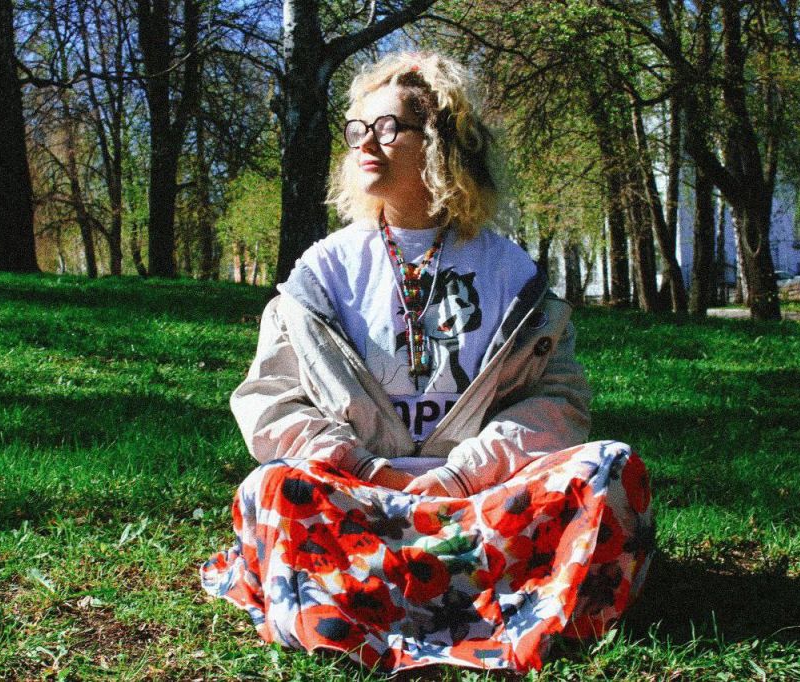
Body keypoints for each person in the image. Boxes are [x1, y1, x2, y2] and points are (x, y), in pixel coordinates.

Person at [201, 51, 654, 674]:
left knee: (610, 468)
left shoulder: (511, 273)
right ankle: (489, 599)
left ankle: (365, 599)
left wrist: (462, 476)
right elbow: (269, 400)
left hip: (482, 508)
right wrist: (361, 465)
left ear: (442, 142)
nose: (366, 142)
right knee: (275, 487)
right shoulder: (322, 272)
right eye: (357, 129)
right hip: (360, 505)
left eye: (388, 128)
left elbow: (560, 400)